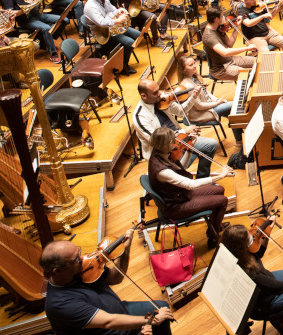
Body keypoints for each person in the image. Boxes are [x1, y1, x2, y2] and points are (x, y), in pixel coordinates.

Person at [41, 238, 174, 335]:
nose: (83, 258)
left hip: (121, 310)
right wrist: (152, 320)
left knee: (162, 307)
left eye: (79, 252)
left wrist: (125, 250)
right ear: (57, 270)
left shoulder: (81, 269)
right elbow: (109, 322)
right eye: (76, 259)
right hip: (112, 330)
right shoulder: (60, 304)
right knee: (159, 318)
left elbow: (116, 278)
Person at [147, 127, 233, 246]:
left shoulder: (161, 153)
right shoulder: (162, 171)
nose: (177, 142)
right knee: (222, 201)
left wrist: (189, 150)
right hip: (175, 207)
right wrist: (221, 175)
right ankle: (213, 238)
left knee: (220, 189)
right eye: (174, 140)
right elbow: (190, 184)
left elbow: (182, 167)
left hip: (180, 195)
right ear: (166, 144)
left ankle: (214, 226)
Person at [219, 224, 283, 318]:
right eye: (249, 238)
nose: (252, 237)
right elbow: (276, 287)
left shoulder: (238, 253)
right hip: (267, 301)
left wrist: (267, 231)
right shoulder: (247, 271)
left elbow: (258, 254)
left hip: (269, 279)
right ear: (242, 246)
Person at [132, 78, 219, 175]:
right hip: (164, 152)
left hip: (180, 139)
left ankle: (202, 177)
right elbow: (157, 140)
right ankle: (180, 173)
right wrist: (184, 132)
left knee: (211, 144)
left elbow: (180, 112)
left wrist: (193, 97)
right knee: (204, 148)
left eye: (159, 90)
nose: (160, 93)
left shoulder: (162, 100)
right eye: (155, 93)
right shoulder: (140, 116)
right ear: (143, 96)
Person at [1, 0, 65, 63]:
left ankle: (45, 41)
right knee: (46, 28)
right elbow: (9, 14)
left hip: (37, 14)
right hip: (26, 20)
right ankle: (53, 53)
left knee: (63, 19)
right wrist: (24, 10)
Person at [176, 55, 241, 142]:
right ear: (183, 70)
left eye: (194, 63)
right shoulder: (188, 86)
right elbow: (200, 106)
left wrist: (217, 100)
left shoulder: (194, 77)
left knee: (232, 112)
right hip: (201, 114)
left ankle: (239, 139)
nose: (195, 66)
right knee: (233, 106)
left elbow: (206, 93)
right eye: (190, 65)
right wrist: (217, 103)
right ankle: (239, 139)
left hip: (208, 106)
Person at [82, 0, 139, 72]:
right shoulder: (90, 7)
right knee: (129, 42)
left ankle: (122, 59)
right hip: (103, 34)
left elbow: (112, 11)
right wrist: (118, 20)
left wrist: (119, 10)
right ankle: (123, 66)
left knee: (137, 35)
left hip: (112, 27)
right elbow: (101, 22)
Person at [202, 6, 257, 81]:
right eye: (222, 16)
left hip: (230, 60)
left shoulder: (218, 28)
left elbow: (230, 44)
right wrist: (247, 48)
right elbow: (225, 52)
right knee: (250, 76)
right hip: (221, 69)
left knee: (258, 61)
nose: (224, 18)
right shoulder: (209, 37)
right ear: (216, 19)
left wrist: (236, 26)